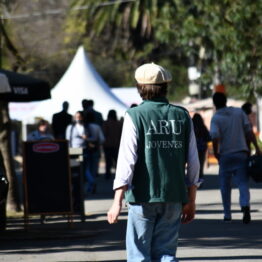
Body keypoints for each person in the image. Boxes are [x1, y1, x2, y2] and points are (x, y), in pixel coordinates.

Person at [107, 63, 200, 262]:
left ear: (139, 87)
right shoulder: (182, 115)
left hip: (142, 196)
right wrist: (191, 199)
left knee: (139, 256)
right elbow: (193, 161)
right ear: (165, 86)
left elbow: (127, 160)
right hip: (174, 195)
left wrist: (117, 201)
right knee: (166, 254)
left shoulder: (134, 115)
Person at [210, 92, 260, 224]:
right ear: (226, 101)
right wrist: (257, 148)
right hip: (241, 153)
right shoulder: (239, 113)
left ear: (214, 103)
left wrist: (216, 152)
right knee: (243, 182)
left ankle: (227, 214)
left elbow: (215, 136)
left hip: (225, 155)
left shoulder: (216, 118)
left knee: (225, 185)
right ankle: (245, 205)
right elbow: (249, 132)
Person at [85, 111, 105, 193]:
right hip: (95, 149)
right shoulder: (97, 126)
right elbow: (102, 139)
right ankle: (92, 184)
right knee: (93, 169)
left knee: (87, 169)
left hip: (86, 149)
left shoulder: (84, 127)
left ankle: (91, 183)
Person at [103, 109, 122, 180]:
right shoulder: (119, 123)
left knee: (108, 161)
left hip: (107, 145)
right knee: (117, 161)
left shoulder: (106, 123)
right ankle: (119, 175)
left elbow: (104, 133)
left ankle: (107, 175)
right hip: (117, 144)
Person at [192, 113, 211, 182]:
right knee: (200, 164)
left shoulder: (191, 127)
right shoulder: (203, 127)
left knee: (192, 164)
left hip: (192, 148)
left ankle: (192, 178)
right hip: (202, 149)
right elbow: (209, 138)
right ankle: (199, 178)